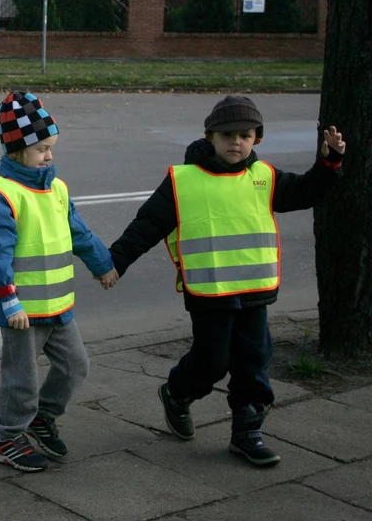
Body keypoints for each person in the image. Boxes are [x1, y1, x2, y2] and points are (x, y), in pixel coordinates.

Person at [107, 96, 346, 467]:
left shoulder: (263, 177)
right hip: (209, 294)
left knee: (254, 362)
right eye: (227, 135)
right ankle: (177, 393)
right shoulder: (182, 181)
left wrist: (329, 163)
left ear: (257, 140)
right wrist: (115, 262)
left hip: (253, 292)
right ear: (210, 136)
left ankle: (248, 433)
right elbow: (147, 225)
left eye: (245, 136)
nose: (236, 142)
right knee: (211, 363)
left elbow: (306, 192)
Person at [0, 92, 118, 473]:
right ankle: (8, 437)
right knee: (21, 379)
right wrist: (8, 300)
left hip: (58, 306)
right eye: (41, 149)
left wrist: (102, 263)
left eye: (51, 147)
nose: (49, 156)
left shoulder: (57, 189)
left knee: (76, 366)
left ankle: (42, 417)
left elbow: (79, 232)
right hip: (21, 310)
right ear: (18, 150)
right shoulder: (0, 196)